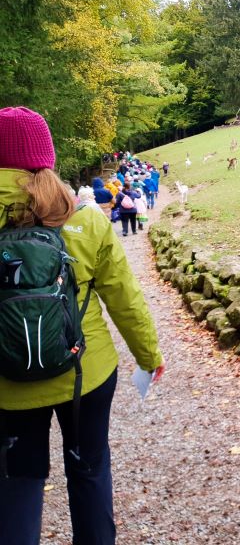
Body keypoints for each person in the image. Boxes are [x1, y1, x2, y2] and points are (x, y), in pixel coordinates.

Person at [0, 106, 164, 544]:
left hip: (6, 384)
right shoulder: (85, 218)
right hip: (84, 375)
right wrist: (148, 356)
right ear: (46, 157)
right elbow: (124, 299)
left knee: (18, 480)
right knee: (89, 469)